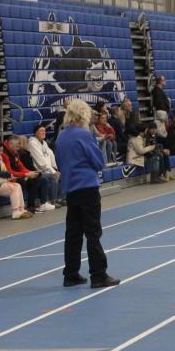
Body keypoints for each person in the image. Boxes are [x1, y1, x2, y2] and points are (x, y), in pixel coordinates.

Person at [56, 99, 119, 288]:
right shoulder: (84, 135)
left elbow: (60, 162)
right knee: (93, 232)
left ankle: (71, 274)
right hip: (87, 186)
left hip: (71, 188)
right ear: (83, 115)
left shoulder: (61, 136)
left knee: (73, 233)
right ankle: (98, 275)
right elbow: (98, 161)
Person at [1, 136, 45, 213]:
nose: (18, 149)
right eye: (17, 147)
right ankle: (19, 208)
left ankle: (31, 206)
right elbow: (9, 172)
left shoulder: (15, 152)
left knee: (35, 179)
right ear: (10, 144)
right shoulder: (4, 153)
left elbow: (21, 166)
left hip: (16, 174)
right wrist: (25, 174)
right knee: (23, 181)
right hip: (7, 177)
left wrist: (30, 172)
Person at [26, 126, 62, 207]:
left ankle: (59, 199)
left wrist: (55, 169)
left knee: (61, 174)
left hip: (48, 169)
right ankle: (52, 201)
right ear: (36, 133)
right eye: (41, 130)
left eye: (44, 131)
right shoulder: (32, 143)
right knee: (53, 177)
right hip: (39, 171)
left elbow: (51, 155)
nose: (44, 132)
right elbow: (41, 162)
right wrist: (53, 172)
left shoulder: (44, 142)